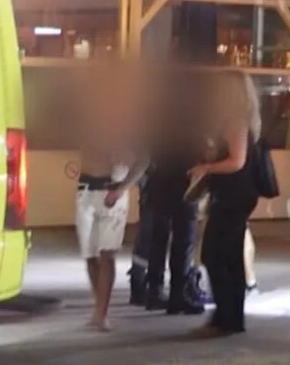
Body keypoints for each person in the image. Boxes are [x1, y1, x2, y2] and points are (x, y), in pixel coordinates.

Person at [188, 70, 263, 338]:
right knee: (229, 258)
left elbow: (237, 161)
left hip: (234, 196)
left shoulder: (235, 120)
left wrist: (206, 166)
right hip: (236, 194)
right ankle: (229, 317)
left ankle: (226, 317)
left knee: (214, 255)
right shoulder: (241, 120)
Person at [74, 66, 144, 332]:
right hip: (85, 189)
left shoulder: (128, 122)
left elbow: (143, 159)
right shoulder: (88, 119)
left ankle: (102, 312)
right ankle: (98, 306)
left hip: (112, 191)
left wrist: (123, 186)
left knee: (107, 255)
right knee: (90, 255)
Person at [133, 74, 207, 314]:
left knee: (158, 238)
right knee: (183, 240)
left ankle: (153, 289)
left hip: (157, 183)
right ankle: (178, 293)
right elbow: (203, 149)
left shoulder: (154, 118)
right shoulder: (193, 122)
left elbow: (146, 150)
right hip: (184, 184)